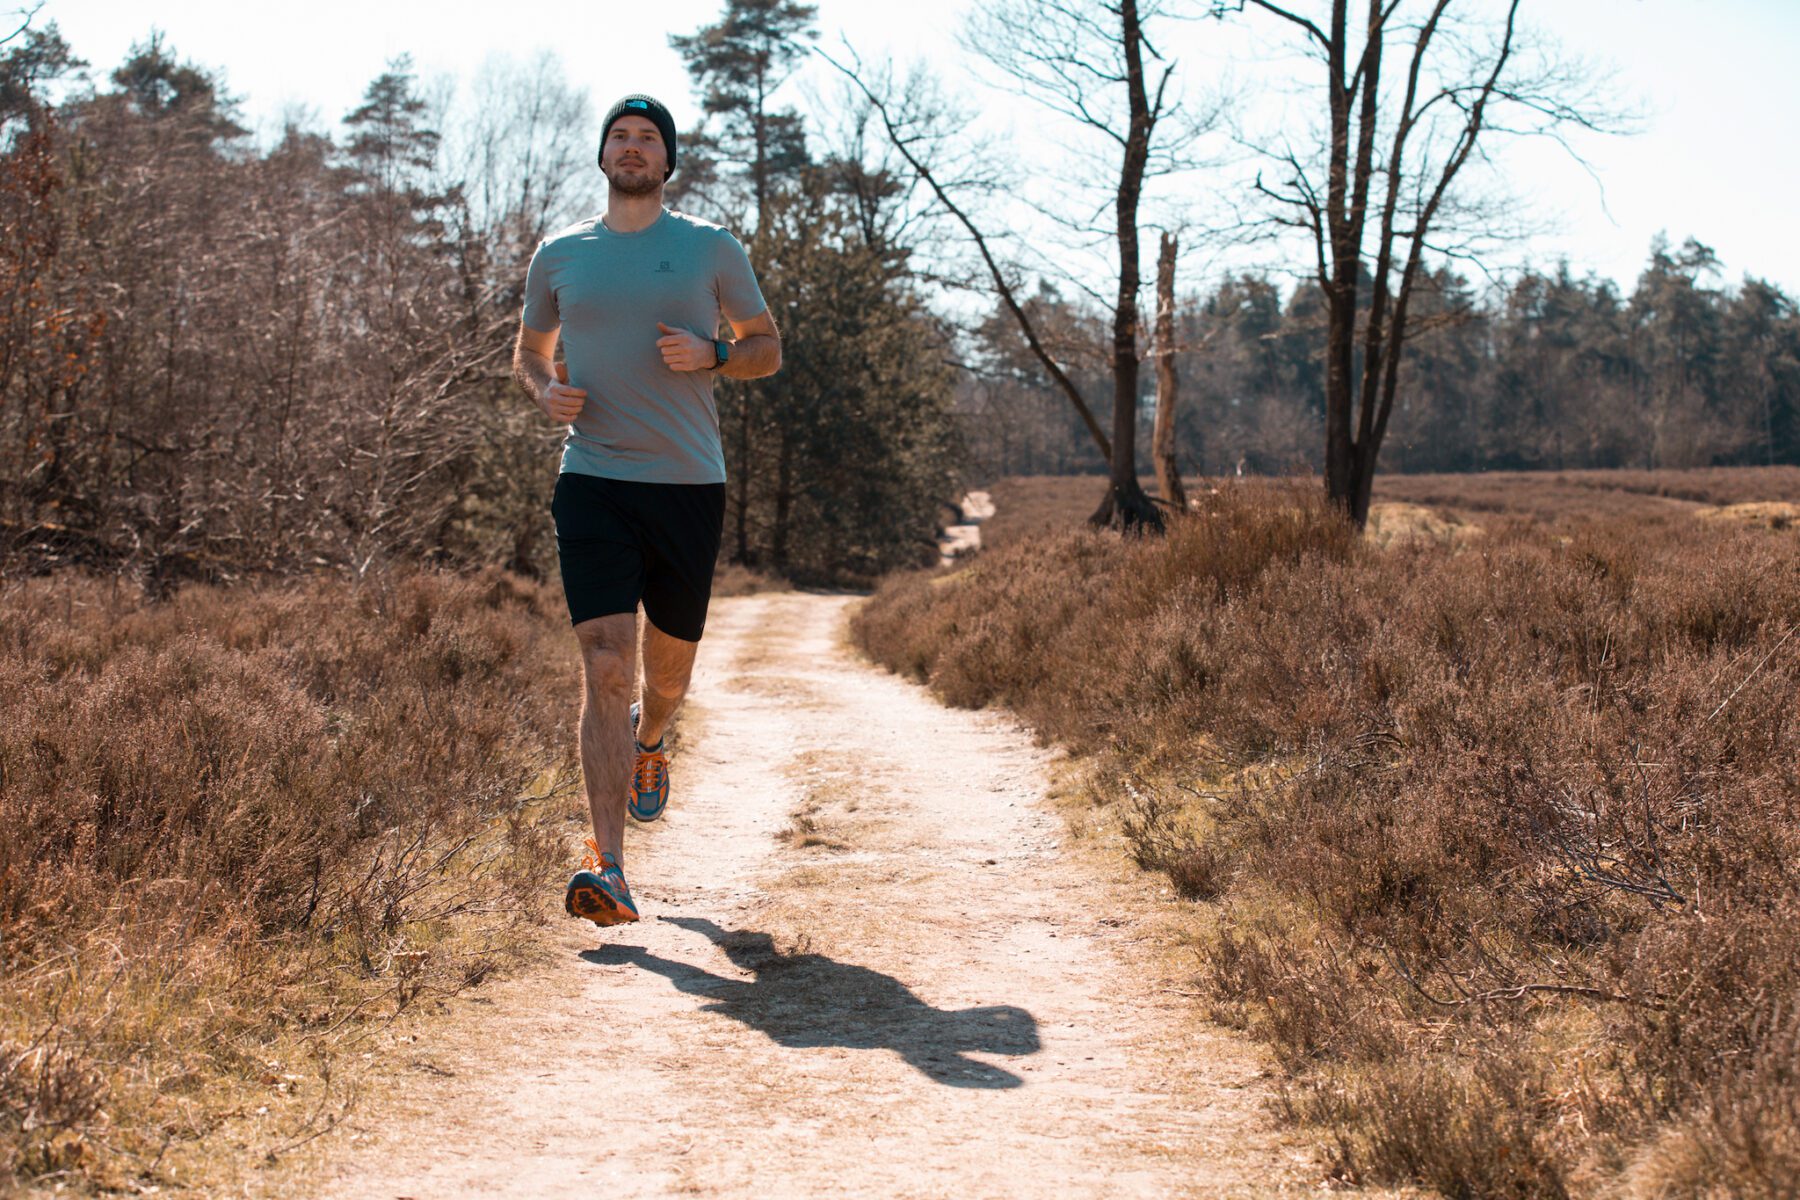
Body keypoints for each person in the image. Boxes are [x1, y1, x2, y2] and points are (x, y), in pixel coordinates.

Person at [511, 94, 782, 927]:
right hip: (591, 478)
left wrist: (716, 353)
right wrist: (545, 388)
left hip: (687, 485)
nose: (633, 149)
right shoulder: (560, 254)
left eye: (648, 139)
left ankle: (651, 740)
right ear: (602, 157)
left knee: (664, 676)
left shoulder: (709, 248)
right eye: (619, 138)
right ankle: (608, 864)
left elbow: (767, 348)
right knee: (602, 664)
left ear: (668, 162)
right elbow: (528, 351)